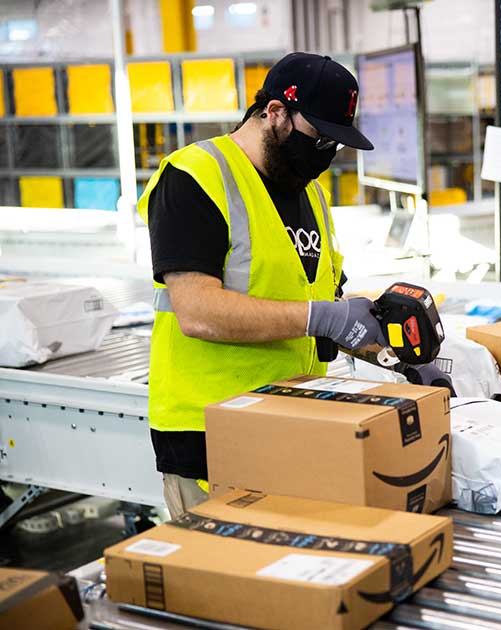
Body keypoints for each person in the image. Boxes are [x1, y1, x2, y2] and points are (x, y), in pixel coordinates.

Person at [139, 53, 448, 519]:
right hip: (210, 437)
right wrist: (324, 317)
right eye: (319, 138)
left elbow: (322, 308)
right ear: (276, 112)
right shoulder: (196, 176)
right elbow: (196, 311)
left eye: (335, 144)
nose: (325, 154)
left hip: (292, 424)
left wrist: (397, 356)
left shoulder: (310, 194)